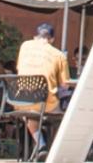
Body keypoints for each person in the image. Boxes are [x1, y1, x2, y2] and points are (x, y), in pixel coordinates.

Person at [16, 23, 72, 156]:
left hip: (21, 101)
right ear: (52, 39)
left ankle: (41, 145)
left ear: (36, 36)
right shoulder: (59, 55)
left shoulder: (24, 46)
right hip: (46, 104)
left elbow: (19, 69)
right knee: (68, 114)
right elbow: (65, 84)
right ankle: (58, 150)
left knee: (31, 113)